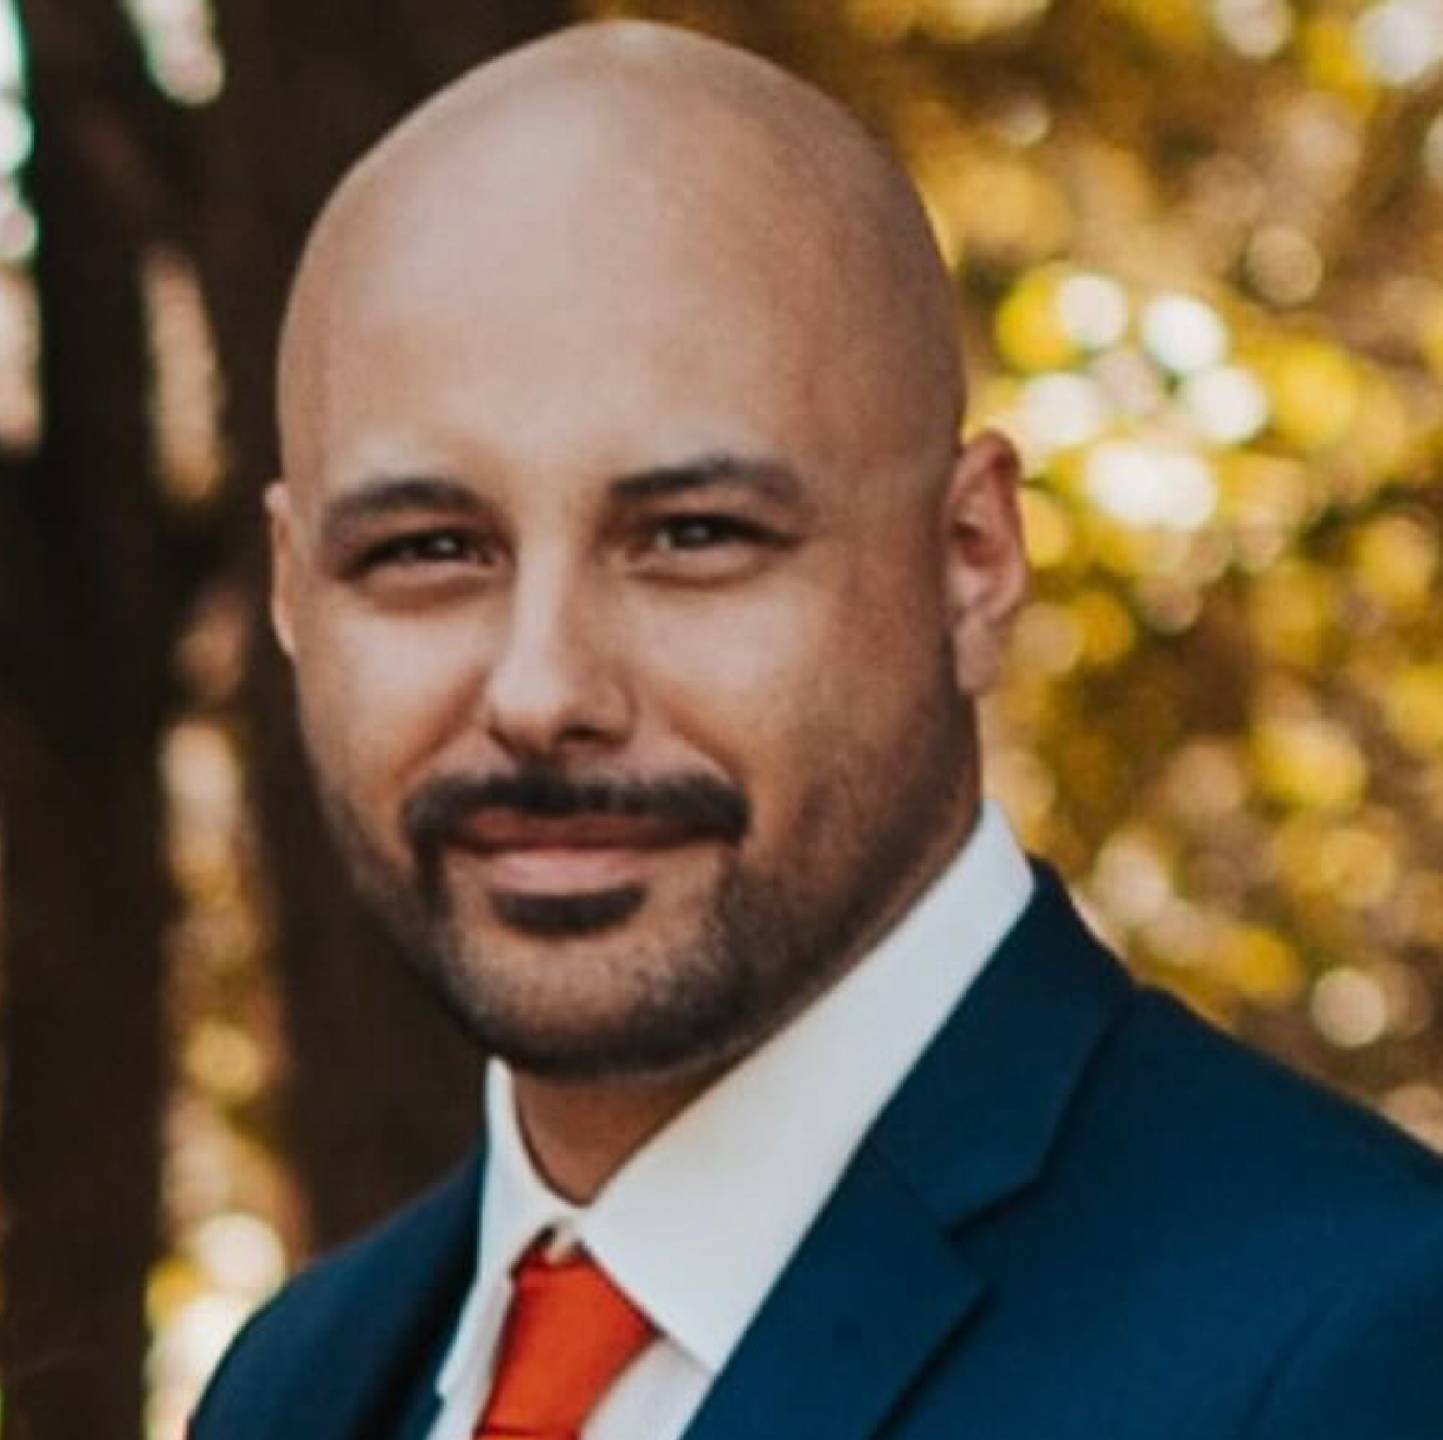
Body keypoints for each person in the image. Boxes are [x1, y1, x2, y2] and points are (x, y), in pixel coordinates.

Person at [191, 19, 1443, 1440]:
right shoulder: (294, 1385)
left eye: (692, 536)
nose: (540, 692)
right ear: (294, 593)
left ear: (971, 559)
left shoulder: (1367, 1342)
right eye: (428, 549)